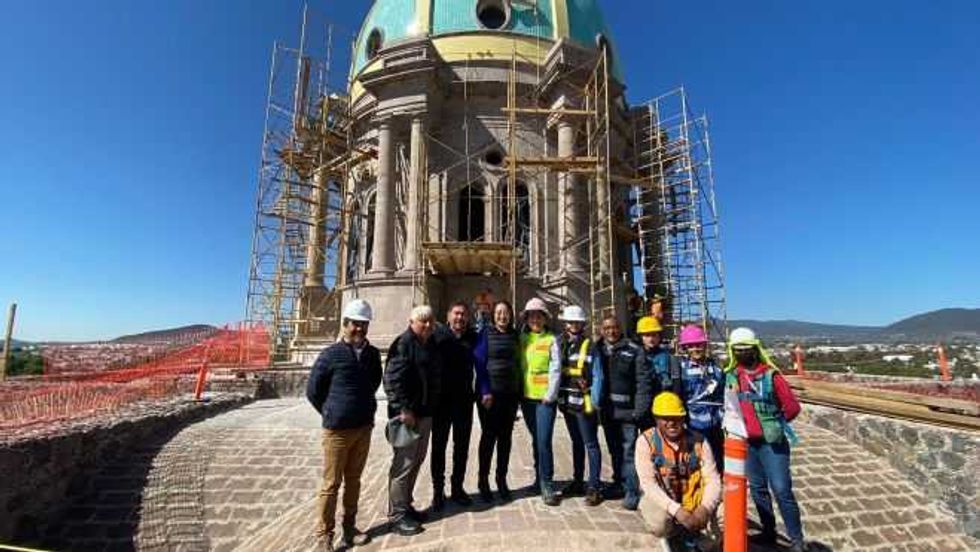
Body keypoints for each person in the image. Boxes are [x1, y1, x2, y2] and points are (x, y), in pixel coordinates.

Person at [306, 299, 381, 551]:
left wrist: (361, 407)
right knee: (330, 484)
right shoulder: (330, 354)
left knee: (354, 480)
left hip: (363, 428)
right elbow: (313, 391)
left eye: (364, 324)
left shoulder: (371, 354)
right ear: (345, 324)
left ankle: (349, 527)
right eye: (355, 324)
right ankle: (324, 534)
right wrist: (331, 411)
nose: (359, 329)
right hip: (337, 431)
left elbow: (373, 383)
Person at [726, 327, 807, 552]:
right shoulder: (733, 377)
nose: (742, 354)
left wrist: (775, 422)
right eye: (738, 350)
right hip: (749, 444)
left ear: (755, 349)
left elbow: (792, 407)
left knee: (781, 489)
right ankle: (769, 532)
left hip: (772, 444)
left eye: (746, 349)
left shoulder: (772, 376)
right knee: (758, 489)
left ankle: (797, 540)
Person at [636, 392, 721, 552]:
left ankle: (701, 542)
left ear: (683, 418)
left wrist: (705, 509)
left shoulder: (700, 441)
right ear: (656, 419)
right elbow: (648, 484)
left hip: (696, 501)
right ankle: (673, 536)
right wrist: (677, 511)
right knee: (659, 522)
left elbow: (713, 480)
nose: (671, 423)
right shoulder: (645, 442)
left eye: (676, 418)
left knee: (728, 515)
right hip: (665, 501)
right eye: (665, 418)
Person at [383, 305, 442, 536]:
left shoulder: (430, 344)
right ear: (411, 322)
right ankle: (396, 516)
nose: (427, 325)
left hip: (425, 412)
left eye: (430, 321)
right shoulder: (403, 343)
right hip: (408, 415)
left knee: (416, 461)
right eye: (422, 321)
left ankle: (406, 506)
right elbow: (392, 380)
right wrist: (403, 409)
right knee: (403, 465)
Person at [596, 315, 652, 510]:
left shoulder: (634, 350)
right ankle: (618, 483)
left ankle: (631, 491)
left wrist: (639, 411)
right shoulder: (598, 350)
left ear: (620, 329)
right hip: (608, 412)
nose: (611, 331)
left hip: (628, 413)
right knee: (614, 451)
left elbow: (642, 382)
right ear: (601, 330)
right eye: (607, 328)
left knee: (629, 452)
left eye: (614, 327)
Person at [429, 301, 478, 511]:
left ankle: (457, 488)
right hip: (441, 403)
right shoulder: (437, 337)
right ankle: (438, 492)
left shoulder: (473, 338)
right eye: (456, 314)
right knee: (438, 448)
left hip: (464, 401)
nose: (460, 318)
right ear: (448, 316)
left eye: (464, 314)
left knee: (462, 448)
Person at [555, 305, 604, 506]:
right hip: (568, 403)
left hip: (584, 405)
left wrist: (595, 401)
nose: (573, 325)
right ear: (565, 324)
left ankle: (593, 486)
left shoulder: (590, 346)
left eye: (577, 322)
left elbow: (598, 375)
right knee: (576, 443)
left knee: (590, 444)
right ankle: (577, 481)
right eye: (570, 322)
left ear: (582, 324)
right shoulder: (561, 344)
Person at [473, 300, 521, 502]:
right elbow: (479, 362)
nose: (502, 316)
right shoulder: (485, 334)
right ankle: (483, 481)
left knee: (506, 438)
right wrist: (485, 391)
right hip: (489, 395)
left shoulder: (515, 335)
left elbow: (519, 363)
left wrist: (518, 393)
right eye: (499, 313)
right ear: (493, 315)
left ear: (510, 315)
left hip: (509, 394)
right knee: (489, 436)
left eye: (506, 312)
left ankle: (501, 479)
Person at [518, 297, 562, 506]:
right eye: (531, 315)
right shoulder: (522, 339)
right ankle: (538, 478)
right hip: (527, 398)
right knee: (536, 440)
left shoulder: (551, 339)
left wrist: (550, 395)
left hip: (544, 399)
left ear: (545, 318)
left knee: (544, 441)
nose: (535, 319)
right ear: (526, 319)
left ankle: (547, 482)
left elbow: (556, 368)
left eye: (539, 315)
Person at [676, 324, 725, 469]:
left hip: (716, 423)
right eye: (691, 346)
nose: (696, 349)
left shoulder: (716, 368)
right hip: (693, 424)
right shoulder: (681, 370)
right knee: (697, 461)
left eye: (699, 345)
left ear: (704, 345)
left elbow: (722, 393)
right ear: (686, 348)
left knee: (717, 460)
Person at [637, 316, 679, 399]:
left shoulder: (669, 357)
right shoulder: (635, 356)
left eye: (654, 335)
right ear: (640, 337)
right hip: (642, 400)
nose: (651, 339)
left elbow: (676, 384)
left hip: (663, 401)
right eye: (647, 335)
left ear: (659, 336)